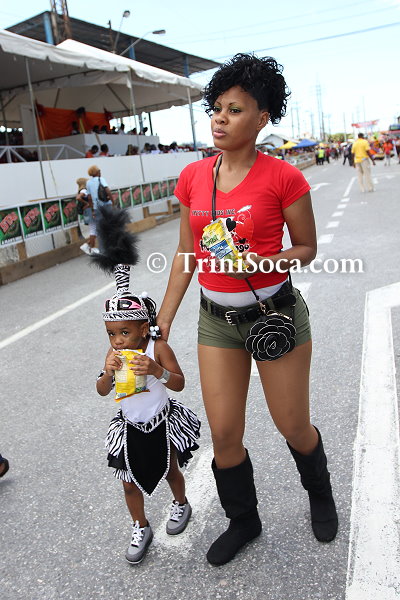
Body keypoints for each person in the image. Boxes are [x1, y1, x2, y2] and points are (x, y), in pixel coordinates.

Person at [157, 53, 338, 567]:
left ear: (261, 119)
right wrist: (163, 318)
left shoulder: (284, 177)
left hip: (274, 315)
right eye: (216, 108)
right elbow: (186, 253)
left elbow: (307, 247)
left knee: (293, 426)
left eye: (234, 110)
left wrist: (267, 259)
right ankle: (244, 520)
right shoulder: (193, 177)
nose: (220, 118)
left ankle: (320, 494)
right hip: (216, 322)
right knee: (223, 434)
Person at [94, 206, 200, 564]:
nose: (118, 340)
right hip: (129, 426)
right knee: (127, 482)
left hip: (161, 422)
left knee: (170, 469)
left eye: (124, 332)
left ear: (143, 327)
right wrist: (108, 373)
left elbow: (180, 383)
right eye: (111, 333)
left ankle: (181, 503)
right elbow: (102, 390)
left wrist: (157, 371)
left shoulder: (158, 348)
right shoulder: (114, 354)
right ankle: (140, 525)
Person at [86, 165, 114, 251]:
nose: (100, 172)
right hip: (106, 205)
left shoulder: (88, 183)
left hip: (96, 208)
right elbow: (107, 190)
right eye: (99, 171)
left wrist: (92, 210)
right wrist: (113, 201)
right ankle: (112, 245)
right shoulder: (101, 179)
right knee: (111, 224)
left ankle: (102, 248)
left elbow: (89, 198)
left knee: (100, 228)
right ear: (97, 172)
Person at [76, 177, 97, 256]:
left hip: (88, 211)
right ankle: (91, 247)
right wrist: (87, 203)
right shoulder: (84, 190)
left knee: (95, 229)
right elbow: (78, 197)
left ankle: (87, 246)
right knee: (93, 229)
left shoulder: (82, 190)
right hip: (89, 211)